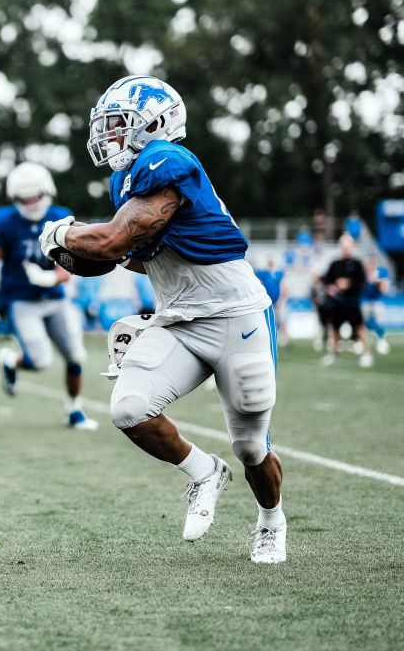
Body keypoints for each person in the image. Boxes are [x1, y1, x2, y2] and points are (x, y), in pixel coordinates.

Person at [38, 74, 286, 563]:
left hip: (237, 317)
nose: (107, 136)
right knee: (129, 408)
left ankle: (271, 520)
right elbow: (126, 256)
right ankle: (202, 472)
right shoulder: (126, 178)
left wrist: (63, 235)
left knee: (251, 446)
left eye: (117, 124)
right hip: (179, 321)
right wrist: (73, 251)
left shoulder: (166, 162)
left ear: (154, 123)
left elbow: (111, 241)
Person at [0, 162, 99, 431]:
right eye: (24, 199)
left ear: (47, 192)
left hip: (54, 297)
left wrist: (51, 277)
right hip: (20, 299)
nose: (30, 204)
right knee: (40, 361)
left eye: (35, 197)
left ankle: (74, 411)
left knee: (76, 356)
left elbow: (73, 262)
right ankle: (11, 360)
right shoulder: (3, 221)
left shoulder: (61, 216)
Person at [320, 234, 373, 368]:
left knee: (359, 327)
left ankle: (367, 354)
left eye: (347, 246)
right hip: (337, 302)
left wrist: (348, 284)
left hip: (352, 301)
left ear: (352, 247)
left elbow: (362, 282)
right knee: (335, 328)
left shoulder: (357, 264)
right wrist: (332, 287)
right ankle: (334, 354)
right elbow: (327, 282)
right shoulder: (335, 264)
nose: (345, 249)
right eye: (343, 246)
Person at [252, 256, 287, 348]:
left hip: (278, 300)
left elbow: (283, 287)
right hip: (268, 301)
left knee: (281, 319)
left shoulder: (278, 273)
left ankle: (283, 338)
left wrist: (282, 299)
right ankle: (270, 338)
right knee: (268, 320)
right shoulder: (264, 273)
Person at [361, 254, 391, 355]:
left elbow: (384, 289)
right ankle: (361, 342)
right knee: (362, 324)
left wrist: (376, 281)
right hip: (365, 301)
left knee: (378, 323)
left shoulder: (381, 272)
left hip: (376, 301)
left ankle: (381, 340)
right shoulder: (364, 273)